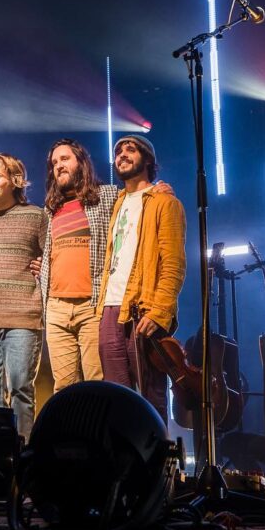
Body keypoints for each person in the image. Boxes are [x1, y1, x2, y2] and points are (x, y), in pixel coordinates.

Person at [38, 138, 173, 393]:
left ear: (81, 162)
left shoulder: (108, 195)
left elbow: (139, 196)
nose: (59, 166)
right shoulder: (50, 209)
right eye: (54, 162)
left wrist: (159, 191)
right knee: (63, 388)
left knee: (97, 383)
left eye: (65, 159)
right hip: (55, 308)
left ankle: (97, 433)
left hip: (92, 305)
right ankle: (70, 434)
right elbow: (47, 251)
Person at [95, 135, 186, 422]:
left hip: (143, 310)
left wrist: (159, 312)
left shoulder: (165, 203)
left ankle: (157, 463)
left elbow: (173, 263)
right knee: (116, 398)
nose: (121, 154)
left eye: (130, 149)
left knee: (150, 399)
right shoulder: (118, 202)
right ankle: (126, 464)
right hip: (110, 309)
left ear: (147, 159)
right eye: (118, 151)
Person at [0, 153, 46, 439]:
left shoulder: (35, 215)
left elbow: (50, 257)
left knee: (20, 390)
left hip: (23, 317)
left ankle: (24, 455)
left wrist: (42, 265)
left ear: (14, 181)